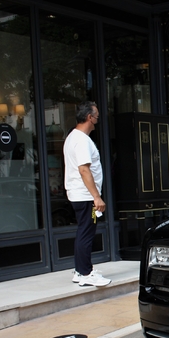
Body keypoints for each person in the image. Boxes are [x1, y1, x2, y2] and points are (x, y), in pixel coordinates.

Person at [63, 101, 111, 287]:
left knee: (83, 231)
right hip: (85, 196)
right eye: (97, 115)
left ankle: (80, 270)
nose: (98, 118)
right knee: (86, 233)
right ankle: (85, 273)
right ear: (90, 117)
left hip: (80, 194)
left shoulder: (73, 137)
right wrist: (96, 197)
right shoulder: (81, 140)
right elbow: (84, 170)